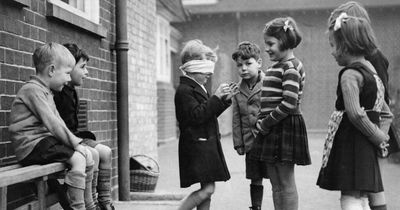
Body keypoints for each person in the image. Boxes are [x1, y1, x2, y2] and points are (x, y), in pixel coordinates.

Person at [316, 12, 393, 210]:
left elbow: (356, 113)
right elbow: (386, 113)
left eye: (333, 46)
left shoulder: (350, 75)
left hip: (351, 141)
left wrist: (377, 136)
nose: (332, 52)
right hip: (367, 143)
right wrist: (381, 136)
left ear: (347, 45)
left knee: (350, 194)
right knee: (364, 194)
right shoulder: (372, 72)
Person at [8, 42, 94, 210]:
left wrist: (77, 143)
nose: (69, 78)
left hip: (42, 143)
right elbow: (53, 124)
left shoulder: (46, 91)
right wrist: (75, 144)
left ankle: (90, 204)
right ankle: (79, 207)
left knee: (88, 156)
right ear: (52, 70)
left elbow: (58, 120)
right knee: (78, 158)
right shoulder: (32, 90)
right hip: (30, 146)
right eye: (67, 73)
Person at [249, 17, 311, 210]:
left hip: (283, 126)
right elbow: (267, 100)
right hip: (272, 127)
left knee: (285, 182)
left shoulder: (290, 67)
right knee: (275, 182)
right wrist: (262, 121)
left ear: (284, 41)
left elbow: (289, 103)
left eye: (270, 44)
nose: (266, 48)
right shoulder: (275, 67)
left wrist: (265, 123)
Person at [174, 39, 237, 210]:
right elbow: (196, 116)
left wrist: (223, 101)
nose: (209, 74)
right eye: (205, 71)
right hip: (197, 146)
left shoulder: (198, 87)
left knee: (207, 189)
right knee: (208, 189)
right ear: (192, 68)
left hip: (204, 145)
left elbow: (207, 114)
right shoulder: (184, 91)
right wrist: (215, 98)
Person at [53, 43, 114, 210]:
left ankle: (105, 201)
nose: (86, 72)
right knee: (93, 153)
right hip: (65, 140)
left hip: (75, 138)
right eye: (83, 67)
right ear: (69, 67)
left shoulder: (71, 91)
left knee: (106, 152)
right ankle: (90, 203)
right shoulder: (58, 92)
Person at [231, 41, 266, 210]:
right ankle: (256, 206)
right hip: (250, 142)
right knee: (255, 176)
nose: (243, 68)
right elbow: (236, 118)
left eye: (248, 63)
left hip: (268, 139)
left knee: (275, 175)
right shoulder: (237, 90)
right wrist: (238, 143)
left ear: (259, 63)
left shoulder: (269, 84)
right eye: (239, 65)